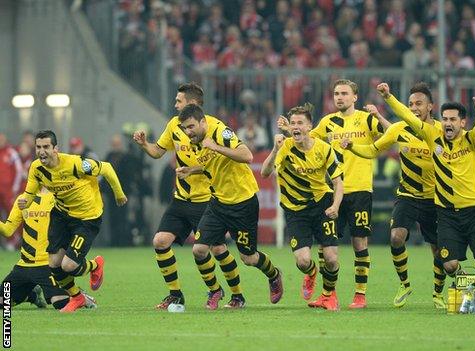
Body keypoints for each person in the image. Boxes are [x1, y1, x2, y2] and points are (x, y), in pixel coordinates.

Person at [278, 79, 389, 309]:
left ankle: (360, 294)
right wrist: (288, 130)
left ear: (355, 97)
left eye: (344, 93)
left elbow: (392, 133)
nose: (339, 97)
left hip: (359, 190)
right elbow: (305, 138)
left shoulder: (366, 119)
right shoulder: (328, 122)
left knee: (359, 242)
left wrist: (378, 116)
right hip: (332, 193)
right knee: (326, 246)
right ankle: (328, 294)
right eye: (337, 93)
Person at [341, 83, 447, 309]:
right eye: (410, 104)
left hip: (434, 198)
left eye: (419, 103)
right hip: (407, 195)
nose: (414, 107)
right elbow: (372, 150)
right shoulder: (399, 129)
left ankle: (438, 292)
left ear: (431, 106)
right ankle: (404, 284)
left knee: (438, 249)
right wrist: (352, 146)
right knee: (396, 237)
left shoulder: (440, 130)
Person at [377, 83, 475, 281]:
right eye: (445, 119)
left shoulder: (471, 140)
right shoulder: (434, 137)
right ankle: (462, 283)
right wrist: (388, 97)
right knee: (449, 265)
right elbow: (407, 117)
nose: (448, 123)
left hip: (473, 210)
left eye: (453, 119)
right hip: (446, 212)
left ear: (463, 123)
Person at [177, 104, 283, 309]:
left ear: (202, 122)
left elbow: (247, 156)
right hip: (218, 203)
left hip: (243, 202)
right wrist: (192, 170)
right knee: (199, 249)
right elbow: (212, 164)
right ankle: (217, 291)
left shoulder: (221, 132)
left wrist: (215, 147)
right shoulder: (196, 140)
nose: (188, 132)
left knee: (249, 258)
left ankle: (274, 274)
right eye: (184, 129)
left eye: (191, 127)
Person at [18, 130, 127, 312]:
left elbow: (106, 168)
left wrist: (119, 194)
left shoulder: (75, 164)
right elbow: (29, 193)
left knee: (68, 265)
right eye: (38, 147)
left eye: (46, 147)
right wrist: (25, 201)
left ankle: (95, 264)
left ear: (55, 149)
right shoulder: (36, 168)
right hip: (61, 215)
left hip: (87, 218)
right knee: (54, 264)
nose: (42, 151)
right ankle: (77, 297)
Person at [132, 83, 220, 310]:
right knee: (160, 242)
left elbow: (218, 161)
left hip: (207, 200)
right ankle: (175, 294)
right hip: (181, 199)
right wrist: (144, 145)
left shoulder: (211, 128)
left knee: (216, 249)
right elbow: (158, 152)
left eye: (178, 100)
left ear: (191, 104)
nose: (175, 104)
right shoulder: (174, 124)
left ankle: (219, 291)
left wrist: (193, 170)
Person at [261, 103, 344, 311]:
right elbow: (264, 172)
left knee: (332, 258)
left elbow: (338, 182)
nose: (296, 126)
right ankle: (312, 272)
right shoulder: (285, 147)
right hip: (295, 210)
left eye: (300, 123)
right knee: (303, 261)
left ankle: (328, 296)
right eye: (293, 123)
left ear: (309, 126)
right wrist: (274, 149)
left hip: (321, 205)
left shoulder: (324, 149)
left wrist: (335, 205)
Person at [1, 188, 96, 310]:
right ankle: (32, 296)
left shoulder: (60, 198)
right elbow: (8, 230)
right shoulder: (23, 199)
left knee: (60, 303)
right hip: (24, 266)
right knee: (2, 302)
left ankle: (78, 294)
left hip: (48, 265)